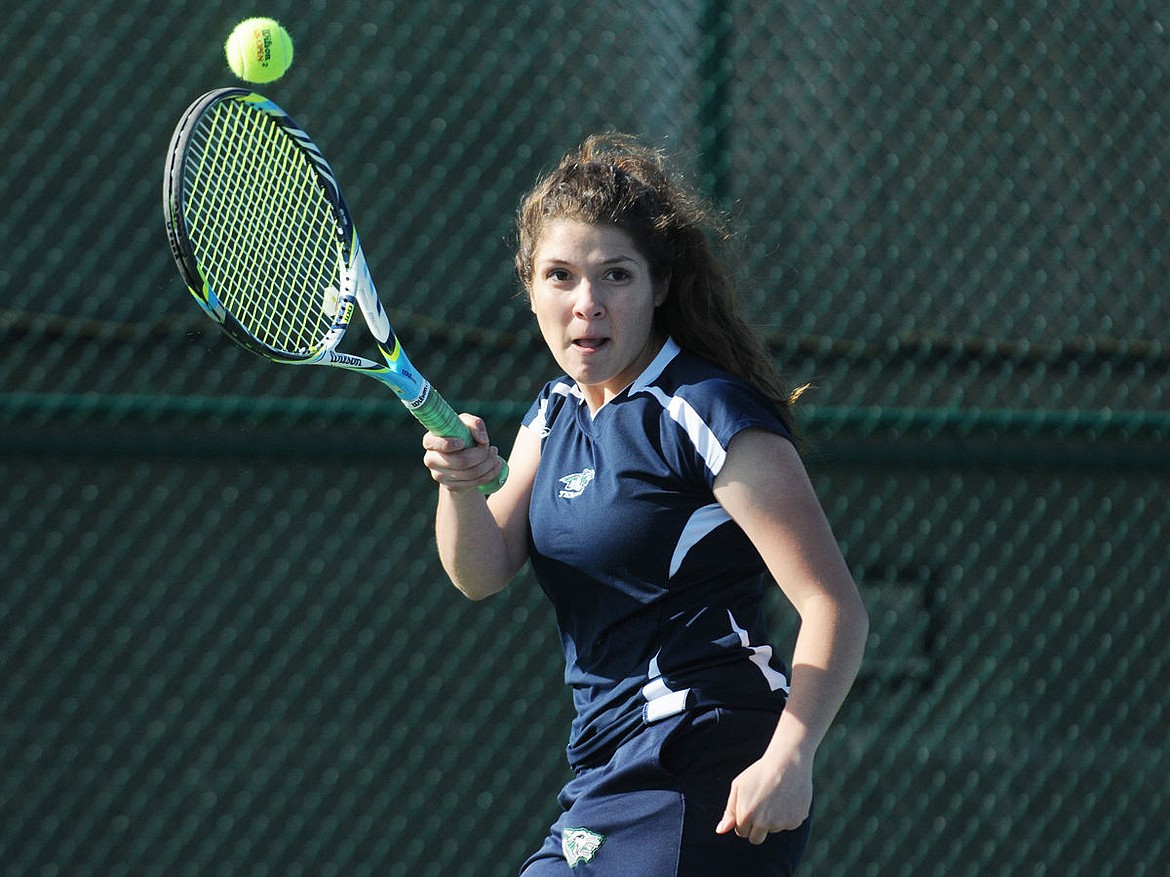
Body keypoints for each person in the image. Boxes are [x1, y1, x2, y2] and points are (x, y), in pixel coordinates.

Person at [421, 133, 868, 876]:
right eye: (560, 276)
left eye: (615, 276)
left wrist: (792, 756)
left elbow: (833, 606)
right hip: (605, 768)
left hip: (709, 758)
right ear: (529, 285)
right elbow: (482, 567)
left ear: (659, 285)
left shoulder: (705, 410)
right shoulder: (555, 412)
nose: (586, 305)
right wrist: (460, 486)